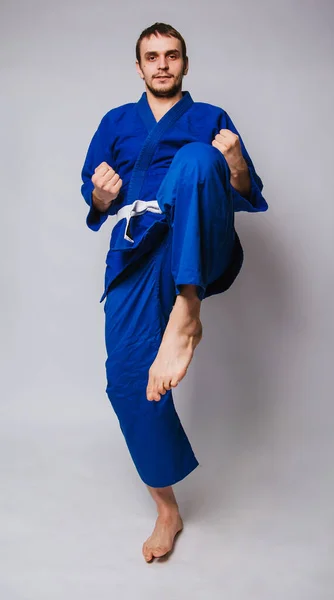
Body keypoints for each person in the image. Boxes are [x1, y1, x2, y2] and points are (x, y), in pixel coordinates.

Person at [81, 22, 268, 562]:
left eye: (172, 55)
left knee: (194, 158)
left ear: (185, 64)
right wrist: (99, 196)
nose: (162, 64)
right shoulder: (114, 123)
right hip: (140, 251)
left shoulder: (211, 119)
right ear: (138, 68)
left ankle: (188, 310)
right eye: (151, 57)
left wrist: (232, 163)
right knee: (127, 383)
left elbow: (244, 191)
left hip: (202, 243)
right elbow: (93, 203)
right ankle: (167, 508)